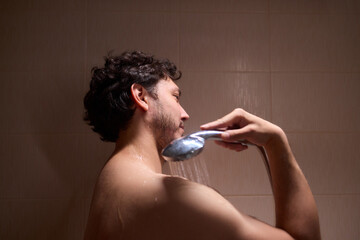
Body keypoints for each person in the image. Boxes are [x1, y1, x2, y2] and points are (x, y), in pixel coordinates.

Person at [83, 51, 321, 240]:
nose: (185, 114)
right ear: (141, 96)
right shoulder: (171, 197)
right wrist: (275, 143)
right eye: (175, 97)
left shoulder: (110, 181)